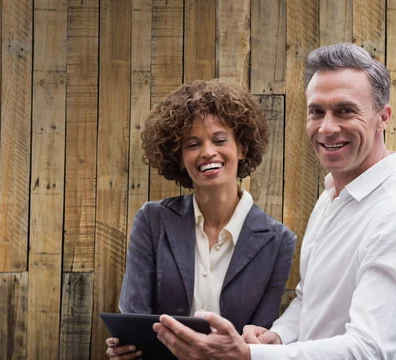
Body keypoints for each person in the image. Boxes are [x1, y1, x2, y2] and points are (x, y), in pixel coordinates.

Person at [152, 43, 396, 360]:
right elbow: (310, 300)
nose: (327, 127)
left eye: (345, 110)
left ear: (383, 117)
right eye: (316, 111)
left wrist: (249, 356)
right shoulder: (333, 195)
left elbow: (368, 349)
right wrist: (277, 337)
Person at [106, 79, 297, 359]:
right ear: (180, 158)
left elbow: (257, 336)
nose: (208, 152)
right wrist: (125, 349)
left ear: (242, 148)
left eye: (219, 140)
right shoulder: (152, 221)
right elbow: (135, 319)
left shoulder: (279, 241)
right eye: (193, 144)